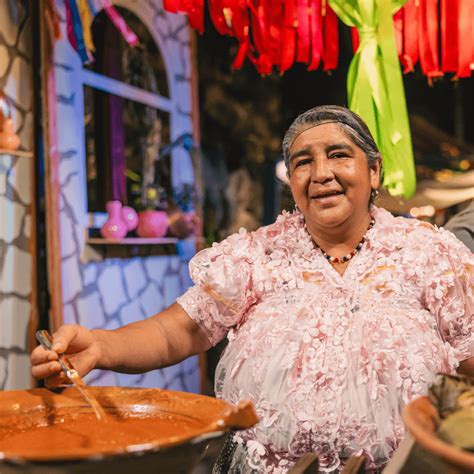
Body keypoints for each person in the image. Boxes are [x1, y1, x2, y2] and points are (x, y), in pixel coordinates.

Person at [31, 106, 474, 473]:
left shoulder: (431, 255)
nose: (321, 173)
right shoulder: (255, 256)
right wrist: (102, 346)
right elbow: (177, 332)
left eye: (339, 155)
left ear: (373, 171)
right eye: (303, 161)